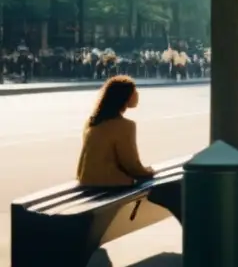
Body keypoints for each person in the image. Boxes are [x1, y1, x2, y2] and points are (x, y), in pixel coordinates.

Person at [77, 76, 181, 218]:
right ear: (125, 97)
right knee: (172, 189)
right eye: (135, 91)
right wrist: (148, 172)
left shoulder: (92, 121)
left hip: (86, 179)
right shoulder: (125, 126)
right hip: (109, 183)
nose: (137, 94)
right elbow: (131, 164)